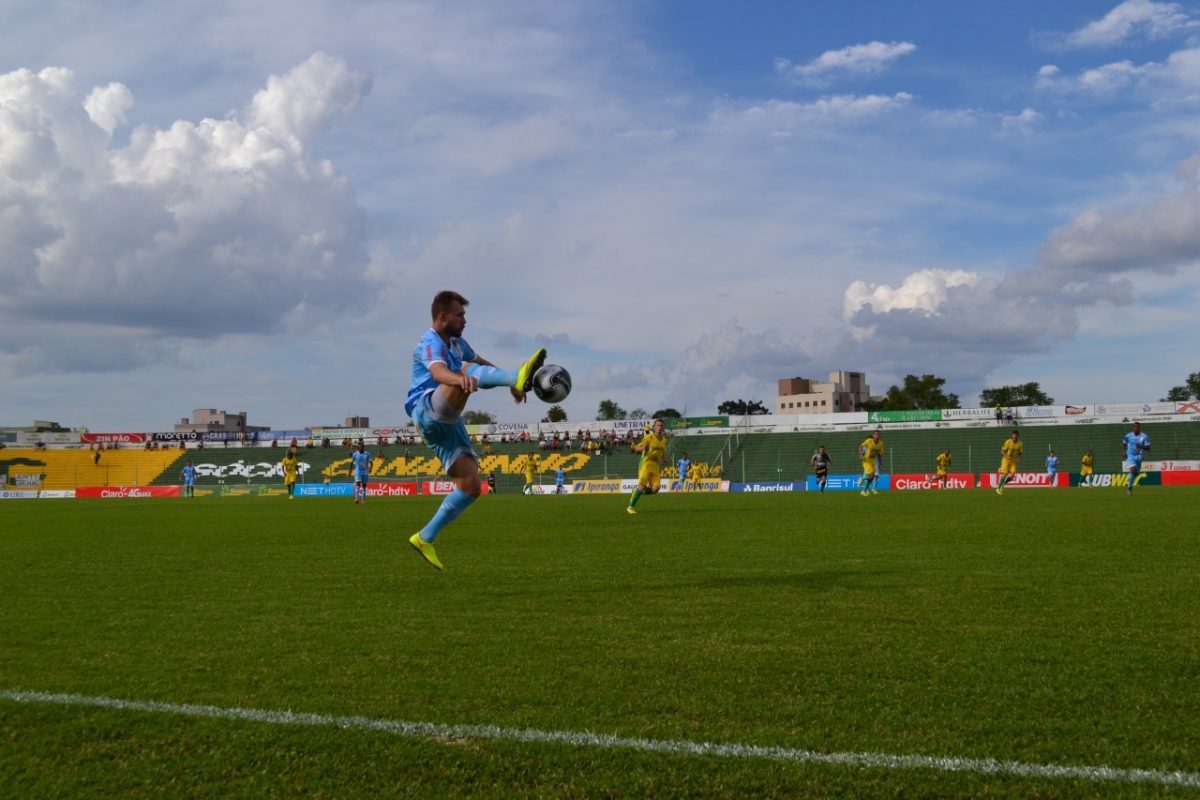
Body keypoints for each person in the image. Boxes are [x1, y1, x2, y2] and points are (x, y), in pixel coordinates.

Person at [405, 290, 546, 569]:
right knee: (466, 371)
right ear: (442, 316)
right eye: (460, 315)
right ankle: (515, 376)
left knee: (470, 486)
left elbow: (480, 363)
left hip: (449, 422)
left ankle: (425, 538)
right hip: (426, 410)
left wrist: (512, 384)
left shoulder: (457, 342)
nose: (465, 320)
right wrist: (460, 379)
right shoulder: (429, 342)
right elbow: (437, 373)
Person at [627, 418, 668, 514]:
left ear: (664, 427)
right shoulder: (649, 437)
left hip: (655, 466)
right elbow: (639, 447)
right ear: (654, 427)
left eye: (661, 426)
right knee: (642, 486)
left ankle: (637, 492)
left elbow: (662, 452)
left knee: (656, 489)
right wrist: (637, 448)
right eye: (658, 425)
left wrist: (664, 459)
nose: (660, 427)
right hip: (645, 464)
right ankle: (630, 507)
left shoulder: (665, 440)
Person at [1122, 421, 1151, 496]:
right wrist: (1124, 452)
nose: (1136, 428)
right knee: (1133, 469)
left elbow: (1148, 448)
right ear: (1133, 428)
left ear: (1139, 428)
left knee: (1135, 473)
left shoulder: (1144, 436)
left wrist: (1140, 446)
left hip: (1139, 457)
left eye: (1137, 427)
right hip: (1130, 455)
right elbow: (1124, 443)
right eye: (1134, 427)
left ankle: (1129, 487)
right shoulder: (1128, 436)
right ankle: (1129, 489)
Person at [996, 429, 1023, 495]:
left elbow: (1020, 453)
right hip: (1006, 460)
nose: (1014, 438)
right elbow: (1002, 451)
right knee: (1005, 474)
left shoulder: (1020, 443)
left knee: (1012, 476)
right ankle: (998, 488)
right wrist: (1006, 456)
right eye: (1013, 437)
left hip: (1013, 460)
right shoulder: (1008, 442)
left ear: (1018, 436)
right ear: (1011, 436)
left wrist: (1019, 459)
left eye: (1015, 437)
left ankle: (1002, 484)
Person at [858, 430, 884, 496]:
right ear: (873, 436)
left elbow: (880, 454)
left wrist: (881, 462)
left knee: (872, 477)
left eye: (878, 434)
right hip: (866, 459)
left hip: (873, 460)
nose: (877, 436)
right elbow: (860, 446)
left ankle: (863, 491)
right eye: (876, 434)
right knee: (872, 475)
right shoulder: (869, 441)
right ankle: (862, 479)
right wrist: (861, 455)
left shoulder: (880, 444)